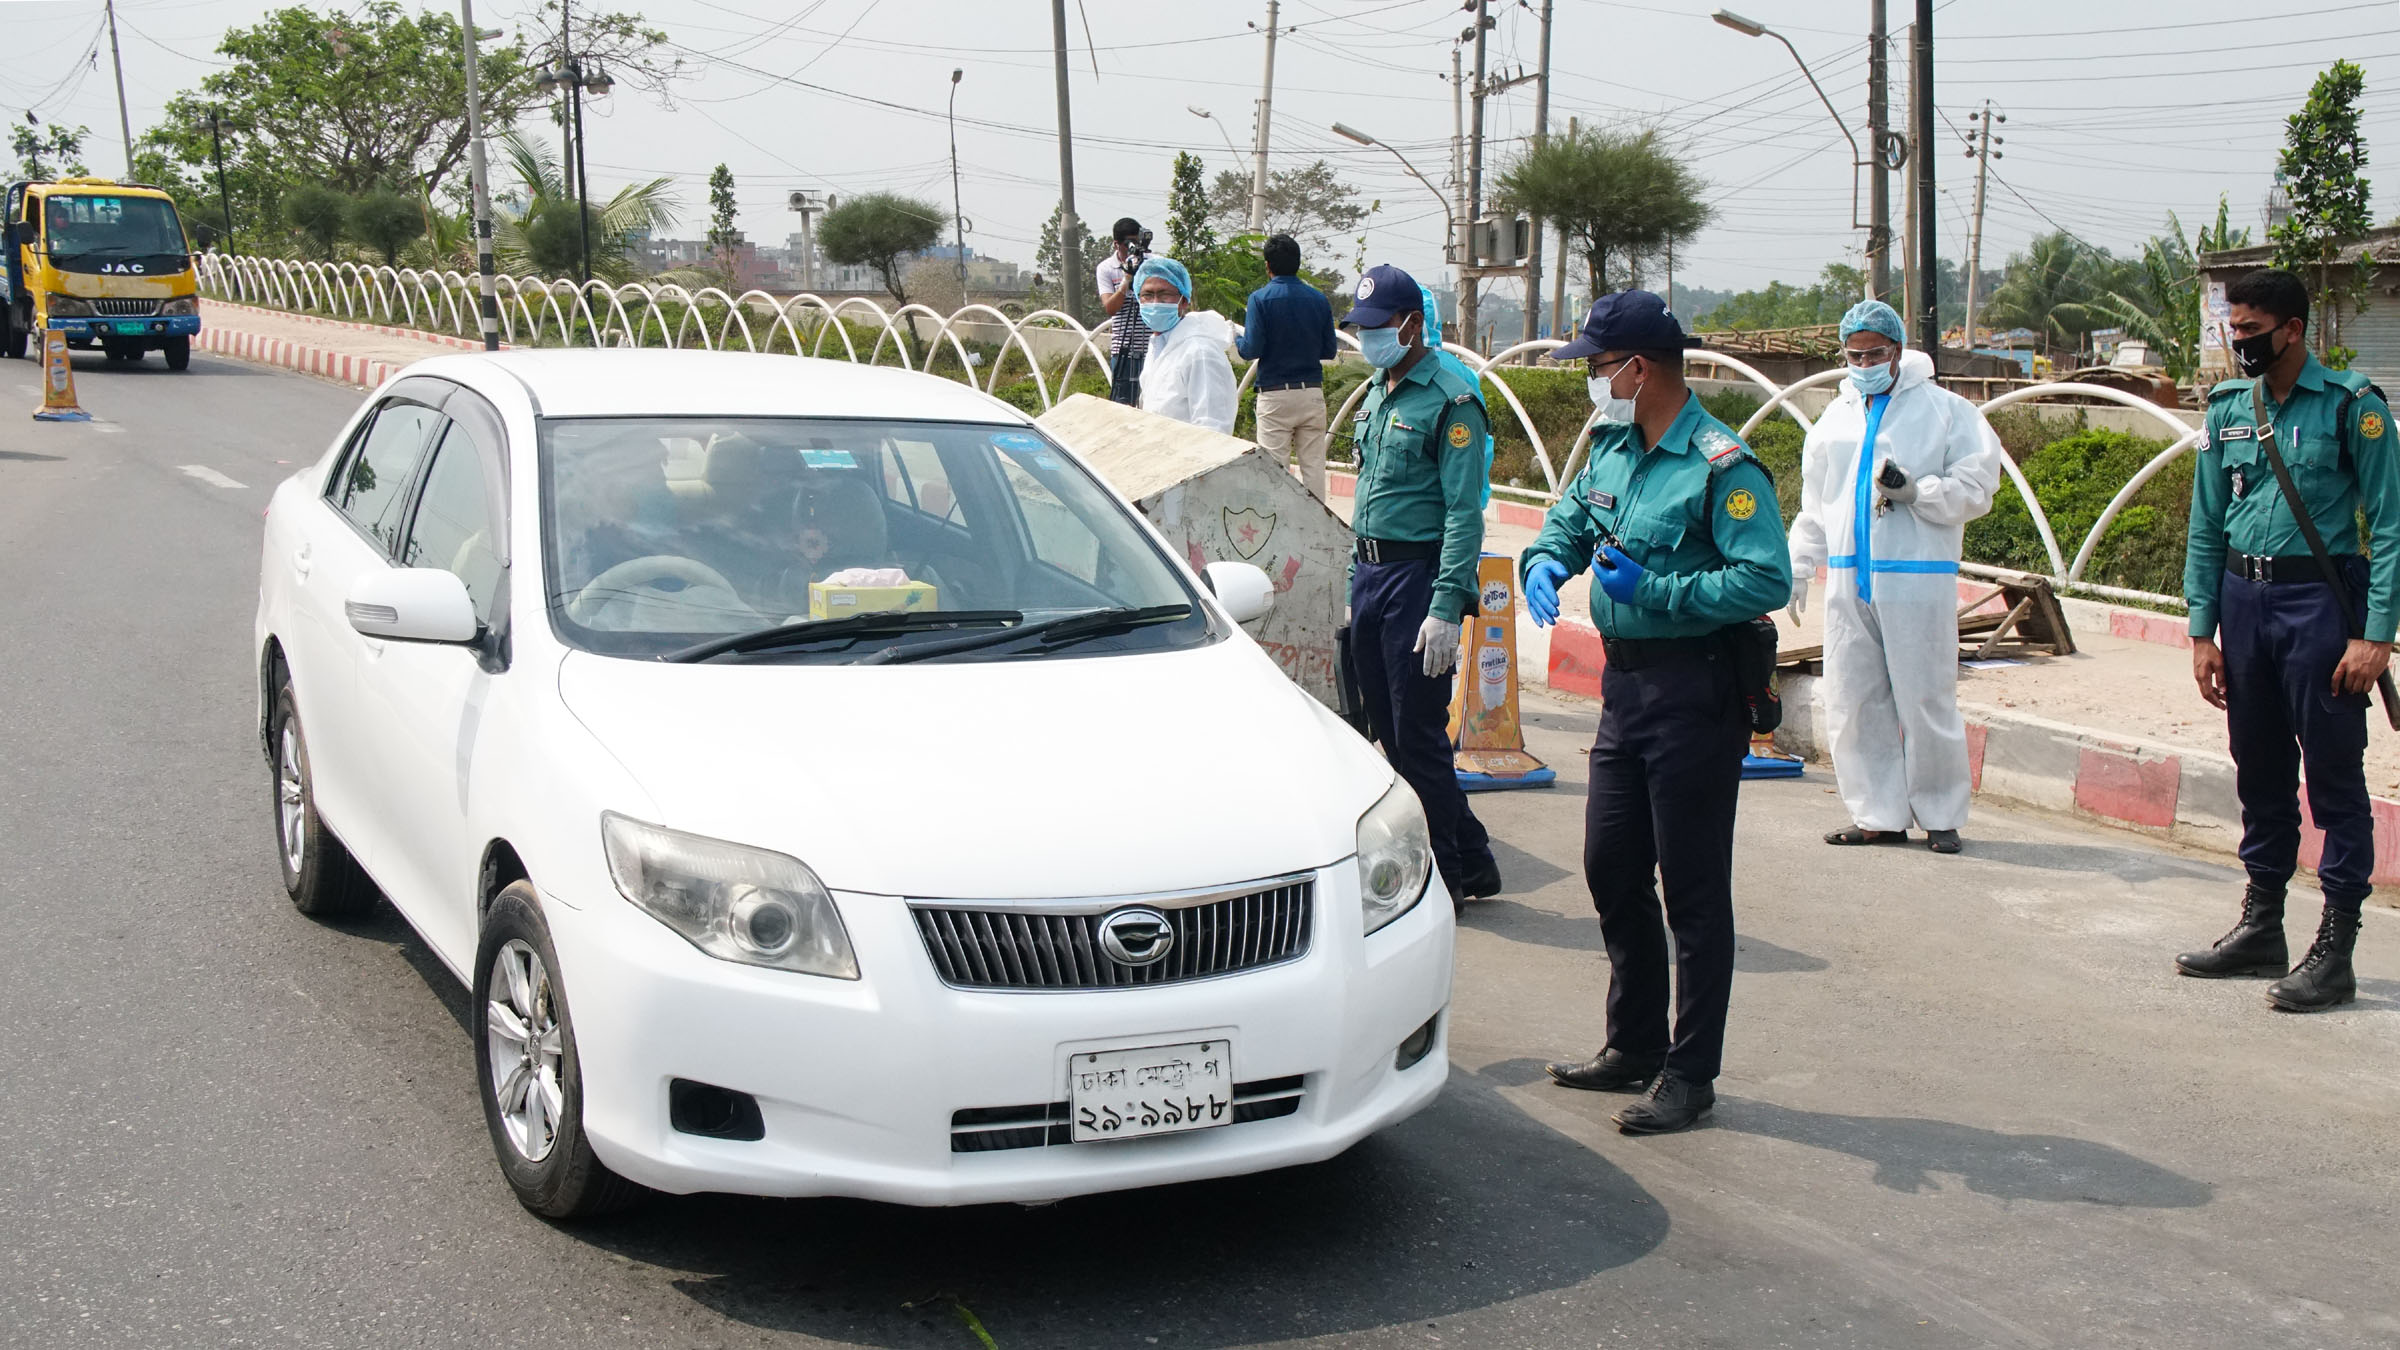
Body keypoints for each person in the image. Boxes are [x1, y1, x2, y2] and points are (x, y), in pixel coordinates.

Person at [1520, 290, 1789, 1135]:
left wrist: (1661, 591)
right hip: (1625, 688)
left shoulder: (1721, 465)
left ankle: (1689, 1071)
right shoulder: (1609, 445)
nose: (1593, 384)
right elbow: (1569, 521)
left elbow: (1764, 579)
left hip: (1694, 690)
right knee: (1610, 863)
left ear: (1639, 368)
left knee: (1694, 891)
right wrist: (1545, 560)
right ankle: (1633, 1042)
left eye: (1599, 368)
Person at [2175, 267, 2399, 1013]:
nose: (2237, 342)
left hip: (2318, 604)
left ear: (2292, 330)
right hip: (2244, 603)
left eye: (2249, 331)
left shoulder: (2351, 409)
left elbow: (2391, 529)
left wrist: (2377, 636)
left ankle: (2335, 949)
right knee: (2260, 768)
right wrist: (2201, 628)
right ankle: (2262, 925)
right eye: (2231, 330)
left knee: (2335, 779)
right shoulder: (2228, 409)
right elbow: (2206, 523)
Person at [1788, 299, 2004, 855]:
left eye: (1874, 353)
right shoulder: (1834, 419)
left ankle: (1941, 812)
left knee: (1926, 697)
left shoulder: (1947, 412)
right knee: (1853, 699)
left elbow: (1978, 488)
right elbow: (1817, 501)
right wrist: (1799, 562)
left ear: (1898, 350)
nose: (1863, 363)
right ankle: (1877, 813)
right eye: (1853, 354)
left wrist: (1918, 491)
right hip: (1847, 579)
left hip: (1917, 577)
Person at [1341, 263, 1501, 906]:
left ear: (1411, 324)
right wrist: (1357, 578)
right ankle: (1477, 858)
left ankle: (1449, 880)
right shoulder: (1381, 390)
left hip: (1418, 576)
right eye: (1362, 328)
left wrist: (1445, 605)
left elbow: (1465, 512)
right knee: (1386, 729)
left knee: (1420, 737)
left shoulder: (1452, 400)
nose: (1369, 338)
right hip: (1373, 574)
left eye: (1379, 327)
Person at [1237, 233, 1338, 498]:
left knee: (1274, 470)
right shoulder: (1319, 300)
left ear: (1267, 265)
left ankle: (1280, 527)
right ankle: (1318, 529)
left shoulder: (1259, 299)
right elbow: (1329, 350)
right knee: (1314, 467)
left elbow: (1251, 349)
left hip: (1275, 394)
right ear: (1298, 262)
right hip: (1312, 393)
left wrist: (1236, 339)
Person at [1133, 257, 1238, 434]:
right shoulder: (1158, 346)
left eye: (1164, 294)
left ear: (1183, 301)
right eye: (1148, 295)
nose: (1155, 302)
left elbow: (1213, 428)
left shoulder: (1201, 352)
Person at [1096, 218, 1154, 405]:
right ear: (1116, 244)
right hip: (1123, 349)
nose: (1133, 248)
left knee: (1153, 404)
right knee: (1123, 405)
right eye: (1128, 244)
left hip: (1154, 347)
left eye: (1137, 242)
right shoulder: (1106, 268)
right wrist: (1126, 280)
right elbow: (1110, 308)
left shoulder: (1153, 263)